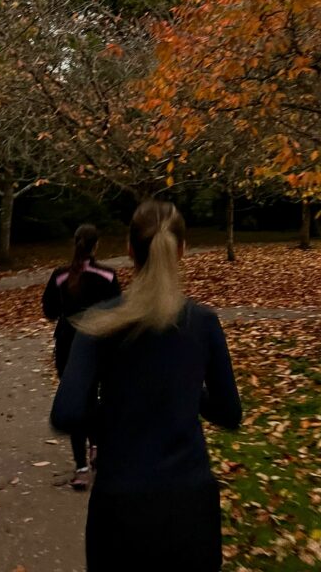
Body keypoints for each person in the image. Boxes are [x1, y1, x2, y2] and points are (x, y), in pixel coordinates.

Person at [50, 199, 242, 572]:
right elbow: (230, 413)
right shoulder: (203, 323)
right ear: (181, 250)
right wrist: (183, 394)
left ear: (128, 249)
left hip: (120, 506)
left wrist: (117, 412)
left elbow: (67, 412)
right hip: (190, 507)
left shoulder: (99, 323)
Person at [42, 224, 121, 490]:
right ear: (96, 246)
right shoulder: (108, 276)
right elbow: (117, 311)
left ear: (74, 243)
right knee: (97, 396)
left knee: (77, 399)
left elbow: (50, 311)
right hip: (100, 343)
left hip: (68, 344)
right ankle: (97, 447)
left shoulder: (60, 276)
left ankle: (81, 468)